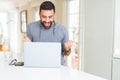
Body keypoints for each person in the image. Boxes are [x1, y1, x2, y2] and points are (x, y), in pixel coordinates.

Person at [24, 1, 73, 65]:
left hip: (57, 68)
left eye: (50, 17)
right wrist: (28, 46)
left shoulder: (63, 30)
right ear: (39, 14)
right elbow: (28, 53)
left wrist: (67, 49)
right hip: (36, 66)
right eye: (44, 17)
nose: (47, 20)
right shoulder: (31, 27)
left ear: (54, 14)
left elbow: (66, 54)